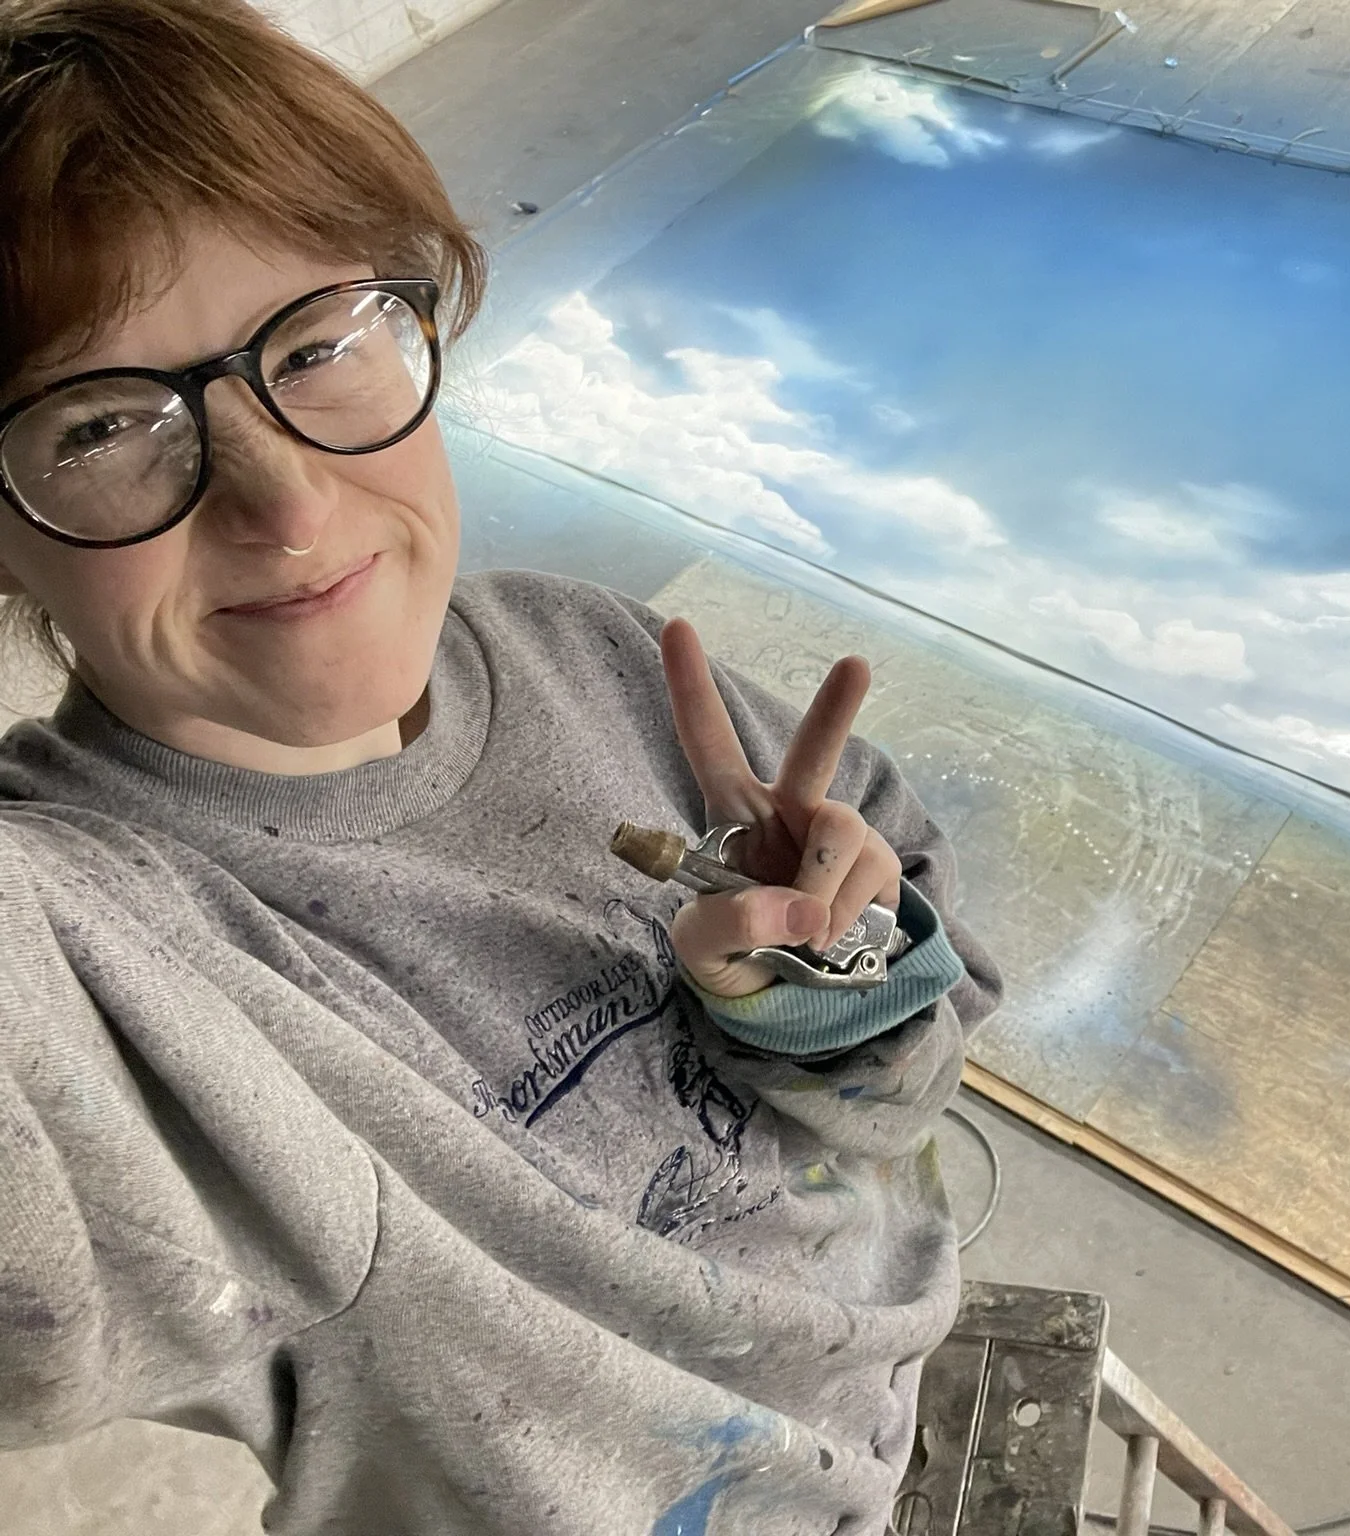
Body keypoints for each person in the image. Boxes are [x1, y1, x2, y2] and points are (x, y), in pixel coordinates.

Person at [0, 2, 1002, 1532]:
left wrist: (824, 992)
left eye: (316, 343)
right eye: (99, 427)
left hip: (897, 1389)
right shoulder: (104, 947)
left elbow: (921, 1061)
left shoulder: (592, 651)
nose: (286, 504)